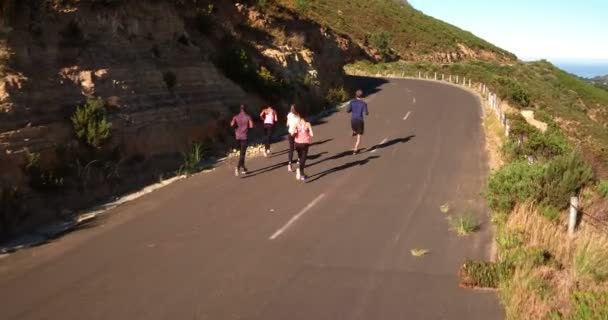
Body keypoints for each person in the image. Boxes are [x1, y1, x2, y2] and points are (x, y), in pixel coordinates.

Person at [230, 104, 253, 177]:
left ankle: (244, 168)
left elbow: (231, 124)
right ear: (246, 109)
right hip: (244, 137)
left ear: (240, 109)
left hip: (237, 137)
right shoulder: (248, 117)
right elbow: (251, 126)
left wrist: (236, 126)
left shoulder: (235, 116)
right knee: (242, 154)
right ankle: (238, 167)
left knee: (241, 153)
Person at [346, 89, 369, 154]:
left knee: (355, 129)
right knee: (359, 135)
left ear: (355, 95)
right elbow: (366, 113)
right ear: (362, 96)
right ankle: (355, 149)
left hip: (353, 120)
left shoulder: (352, 102)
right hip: (360, 120)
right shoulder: (363, 103)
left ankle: (354, 131)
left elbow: (348, 111)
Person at [292, 113, 314, 182]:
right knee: (303, 159)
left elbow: (292, 133)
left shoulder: (297, 124)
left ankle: (300, 170)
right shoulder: (308, 124)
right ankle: (301, 173)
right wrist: (308, 132)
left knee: (300, 157)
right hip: (305, 144)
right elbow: (312, 134)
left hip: (297, 144)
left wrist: (296, 132)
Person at [286, 104, 300, 172]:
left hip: (290, 133)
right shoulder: (298, 115)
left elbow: (287, 124)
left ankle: (289, 164)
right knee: (298, 147)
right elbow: (299, 125)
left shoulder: (289, 114)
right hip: (296, 133)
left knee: (291, 149)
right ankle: (299, 159)